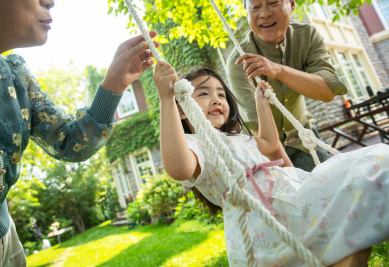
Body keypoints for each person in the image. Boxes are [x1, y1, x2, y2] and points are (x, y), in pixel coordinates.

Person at [153, 62, 389, 266]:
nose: (216, 99)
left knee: (370, 162)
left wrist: (262, 104)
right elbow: (178, 167)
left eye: (221, 95)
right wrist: (167, 99)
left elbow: (269, 142)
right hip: (263, 220)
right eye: (203, 94)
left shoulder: (237, 138)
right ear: (182, 110)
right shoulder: (195, 144)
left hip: (289, 196)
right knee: (371, 169)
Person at [0, 0, 159, 266]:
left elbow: (71, 142)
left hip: (9, 240)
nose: (51, 2)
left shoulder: (14, 75)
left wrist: (115, 81)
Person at [226, 0, 348, 171]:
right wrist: (295, 180)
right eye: (255, 7)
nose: (264, 13)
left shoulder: (308, 37)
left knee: (332, 186)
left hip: (303, 139)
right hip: (263, 151)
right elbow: (259, 131)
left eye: (273, 3)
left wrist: (279, 71)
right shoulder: (239, 61)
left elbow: (327, 92)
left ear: (291, 4)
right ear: (247, 14)